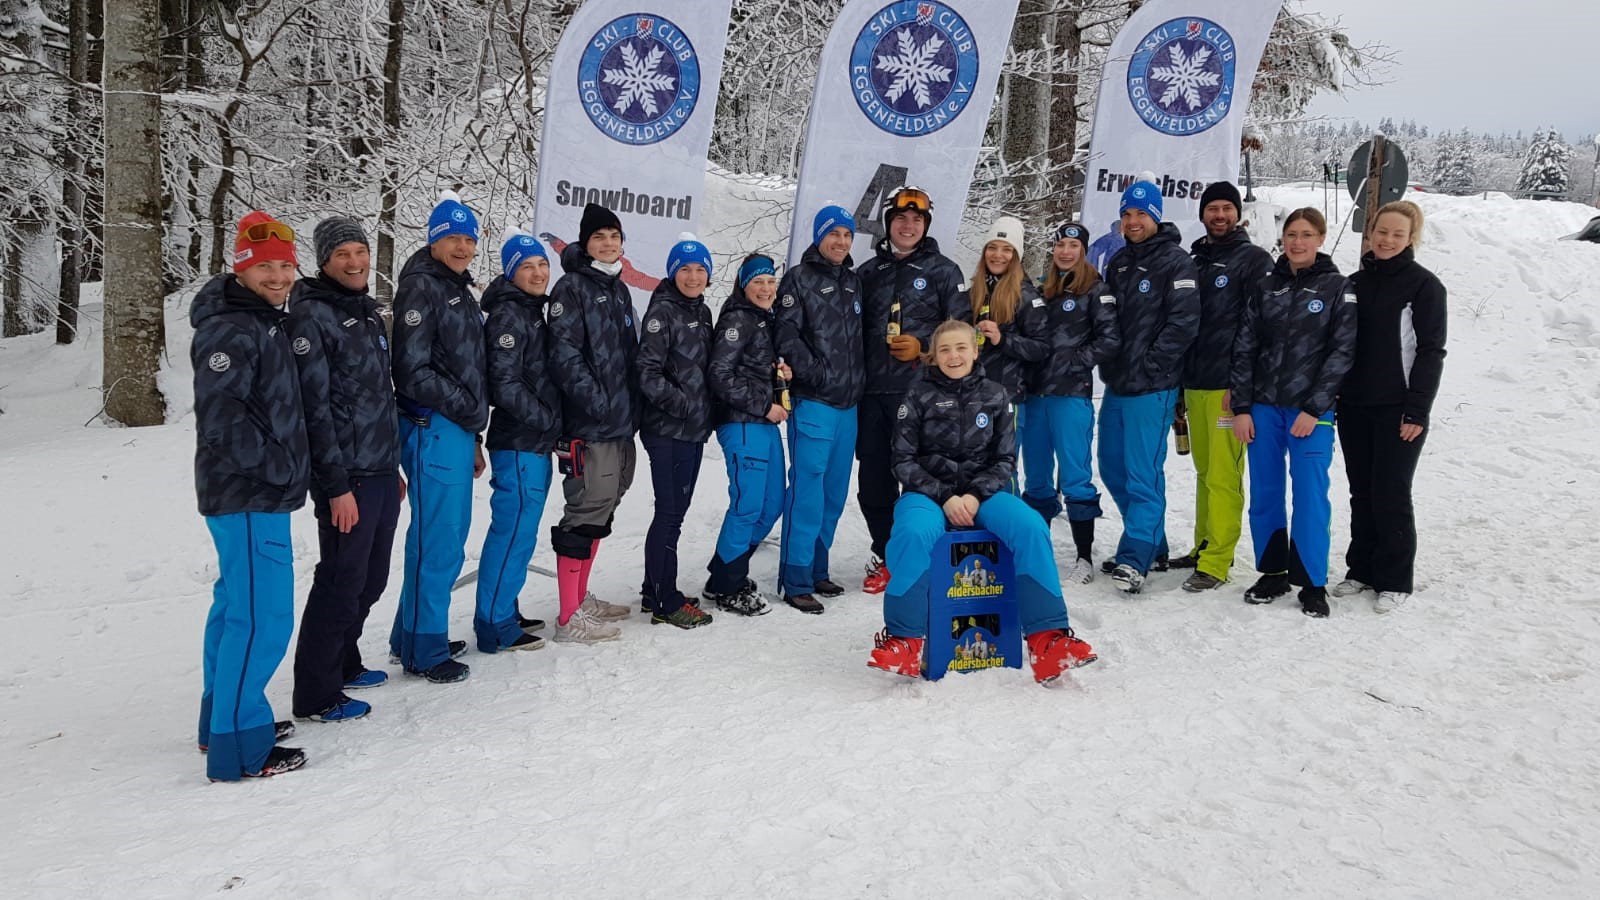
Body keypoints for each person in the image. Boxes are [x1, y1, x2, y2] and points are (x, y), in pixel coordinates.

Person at [866, 320, 1097, 684]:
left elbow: (1005, 459)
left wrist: (974, 495)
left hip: (984, 494)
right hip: (928, 493)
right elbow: (903, 460)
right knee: (911, 533)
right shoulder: (917, 396)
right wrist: (945, 497)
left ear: (975, 351)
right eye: (944, 350)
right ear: (933, 355)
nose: (953, 356)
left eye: (961, 348)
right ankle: (905, 640)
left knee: (1030, 527)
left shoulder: (996, 395)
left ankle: (1048, 639)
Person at [191, 211, 309, 780]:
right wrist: (281, 469)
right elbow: (222, 420)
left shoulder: (262, 321)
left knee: (236, 608)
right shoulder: (231, 329)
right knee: (263, 617)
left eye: (285, 265)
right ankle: (241, 746)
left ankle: (220, 723)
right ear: (241, 268)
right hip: (248, 492)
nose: (278, 276)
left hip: (251, 492)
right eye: (265, 266)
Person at [288, 218, 400, 724]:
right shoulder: (311, 316)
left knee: (372, 578)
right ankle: (316, 693)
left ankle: (344, 659)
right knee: (341, 579)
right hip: (347, 477)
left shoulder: (367, 312)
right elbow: (314, 409)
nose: (355, 262)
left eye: (360, 251)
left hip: (379, 469)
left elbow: (377, 397)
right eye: (342, 255)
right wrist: (334, 487)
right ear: (323, 262)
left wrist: (393, 467)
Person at [1230, 207, 1357, 618]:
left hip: (1309, 414)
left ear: (1320, 238)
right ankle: (1273, 572)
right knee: (1265, 492)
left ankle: (1312, 581)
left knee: (1310, 495)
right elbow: (1245, 347)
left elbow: (1342, 352)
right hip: (1264, 409)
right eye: (1291, 235)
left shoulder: (1338, 288)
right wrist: (1243, 407)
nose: (1297, 242)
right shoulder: (1266, 286)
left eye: (1306, 235)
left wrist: (1315, 407)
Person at [390, 190, 488, 684]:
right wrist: (465, 408)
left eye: (469, 239)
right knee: (438, 541)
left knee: (443, 536)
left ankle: (408, 635)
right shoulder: (421, 288)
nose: (462, 247)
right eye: (453, 239)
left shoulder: (454, 287)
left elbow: (462, 364)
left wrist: (473, 434)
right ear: (434, 241)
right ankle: (425, 649)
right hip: (433, 426)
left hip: (455, 429)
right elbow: (411, 371)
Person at [1331, 200, 1447, 614]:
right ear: (1370, 232)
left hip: (1398, 409)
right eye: (1382, 231)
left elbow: (1431, 351)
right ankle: (1361, 568)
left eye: (1398, 234)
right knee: (1361, 491)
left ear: (1411, 238)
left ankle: (1395, 578)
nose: (1387, 240)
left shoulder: (1424, 286)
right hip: (1354, 406)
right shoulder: (1353, 284)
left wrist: (1417, 410)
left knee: (1391, 491)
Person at [855, 186, 967, 593]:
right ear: (888, 224)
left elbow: (962, 336)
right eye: (901, 218)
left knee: (924, 479)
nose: (908, 226)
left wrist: (924, 350)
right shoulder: (867, 273)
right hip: (872, 395)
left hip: (925, 397)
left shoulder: (945, 271)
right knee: (874, 481)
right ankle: (887, 554)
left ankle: (927, 555)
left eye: (917, 220)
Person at [1172, 182, 1274, 593]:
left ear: (1237, 214)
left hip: (1226, 388)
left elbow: (1260, 327)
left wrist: (1242, 385)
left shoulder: (1254, 261)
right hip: (1195, 382)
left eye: (1226, 208)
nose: (1219, 215)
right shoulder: (1194, 260)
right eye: (1212, 208)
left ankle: (1217, 561)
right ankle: (1203, 545)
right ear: (1202, 214)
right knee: (1204, 472)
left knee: (1223, 474)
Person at [1098, 181, 1200, 593]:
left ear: (1156, 216)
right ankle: (1153, 543)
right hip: (1118, 383)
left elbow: (1184, 323)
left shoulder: (1177, 262)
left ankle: (1135, 556)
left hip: (1153, 386)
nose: (1133, 221)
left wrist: (1151, 365)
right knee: (1111, 466)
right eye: (1127, 214)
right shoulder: (1119, 262)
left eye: (1141, 214)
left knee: (1142, 473)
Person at [545, 203, 640, 641]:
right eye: (599, 237)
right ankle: (568, 617)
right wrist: (598, 404)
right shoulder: (571, 288)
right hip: (591, 424)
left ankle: (580, 598)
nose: (607, 243)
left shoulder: (618, 289)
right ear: (585, 243)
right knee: (584, 511)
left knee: (603, 507)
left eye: (614, 236)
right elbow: (564, 356)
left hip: (620, 424)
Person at [473, 228, 561, 653]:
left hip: (533, 441)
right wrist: (547, 419)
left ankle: (504, 607)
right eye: (527, 266)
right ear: (510, 273)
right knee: (513, 532)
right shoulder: (509, 315)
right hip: (519, 440)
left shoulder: (528, 311)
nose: (538, 273)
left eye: (542, 264)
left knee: (522, 532)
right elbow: (504, 384)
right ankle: (494, 624)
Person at [773, 206, 865, 614]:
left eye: (847, 235)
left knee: (834, 492)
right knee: (807, 490)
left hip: (849, 405)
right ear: (819, 236)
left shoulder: (853, 281)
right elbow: (786, 334)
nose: (841, 242)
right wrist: (817, 374)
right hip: (815, 402)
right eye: (834, 234)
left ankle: (816, 567)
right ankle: (795, 577)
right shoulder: (799, 278)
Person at [1021, 222, 1121, 582]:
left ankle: (1084, 558)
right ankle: (1038, 550)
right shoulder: (1040, 288)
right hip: (1035, 396)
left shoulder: (1096, 289)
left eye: (1073, 246)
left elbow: (1110, 339)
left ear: (1083, 250)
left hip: (1070, 394)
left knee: (1076, 475)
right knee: (1036, 477)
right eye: (1060, 245)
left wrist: (1074, 361)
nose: (1065, 252)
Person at [703, 252, 790, 616]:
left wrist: (779, 375)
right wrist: (763, 404)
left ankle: (722, 573)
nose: (766, 288)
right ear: (743, 284)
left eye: (770, 281)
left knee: (773, 503)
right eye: (758, 282)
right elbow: (720, 375)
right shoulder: (737, 319)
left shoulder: (763, 320)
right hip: (742, 423)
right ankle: (729, 586)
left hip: (764, 423)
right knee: (748, 505)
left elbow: (750, 369)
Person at [637, 235, 716, 629]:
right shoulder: (663, 312)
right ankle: (665, 601)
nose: (693, 276)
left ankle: (654, 589)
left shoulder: (701, 311)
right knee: (669, 514)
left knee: (675, 514)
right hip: (668, 429)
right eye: (685, 269)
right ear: (672, 273)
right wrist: (686, 406)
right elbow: (647, 373)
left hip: (691, 430)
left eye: (700, 269)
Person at [964, 215, 1049, 406]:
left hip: (1007, 399)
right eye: (992, 247)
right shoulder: (973, 293)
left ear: (1016, 256)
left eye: (1007, 249)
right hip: (970, 396)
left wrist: (1002, 339)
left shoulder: (1026, 296)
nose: (997, 255)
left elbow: (1041, 348)